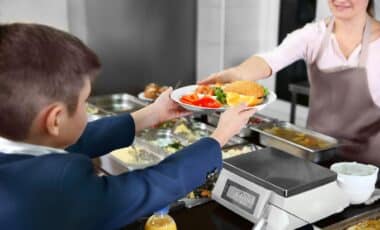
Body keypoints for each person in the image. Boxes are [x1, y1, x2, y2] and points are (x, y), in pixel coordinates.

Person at [0, 23, 256, 230]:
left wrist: (151, 114)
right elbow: (149, 186)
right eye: (83, 102)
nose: (85, 109)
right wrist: (219, 137)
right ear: (55, 119)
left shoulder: (17, 149)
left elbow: (68, 141)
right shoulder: (60, 185)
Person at [201, 0, 380, 165]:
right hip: (316, 156)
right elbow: (270, 59)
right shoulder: (313, 35)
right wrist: (238, 73)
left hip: (370, 166)